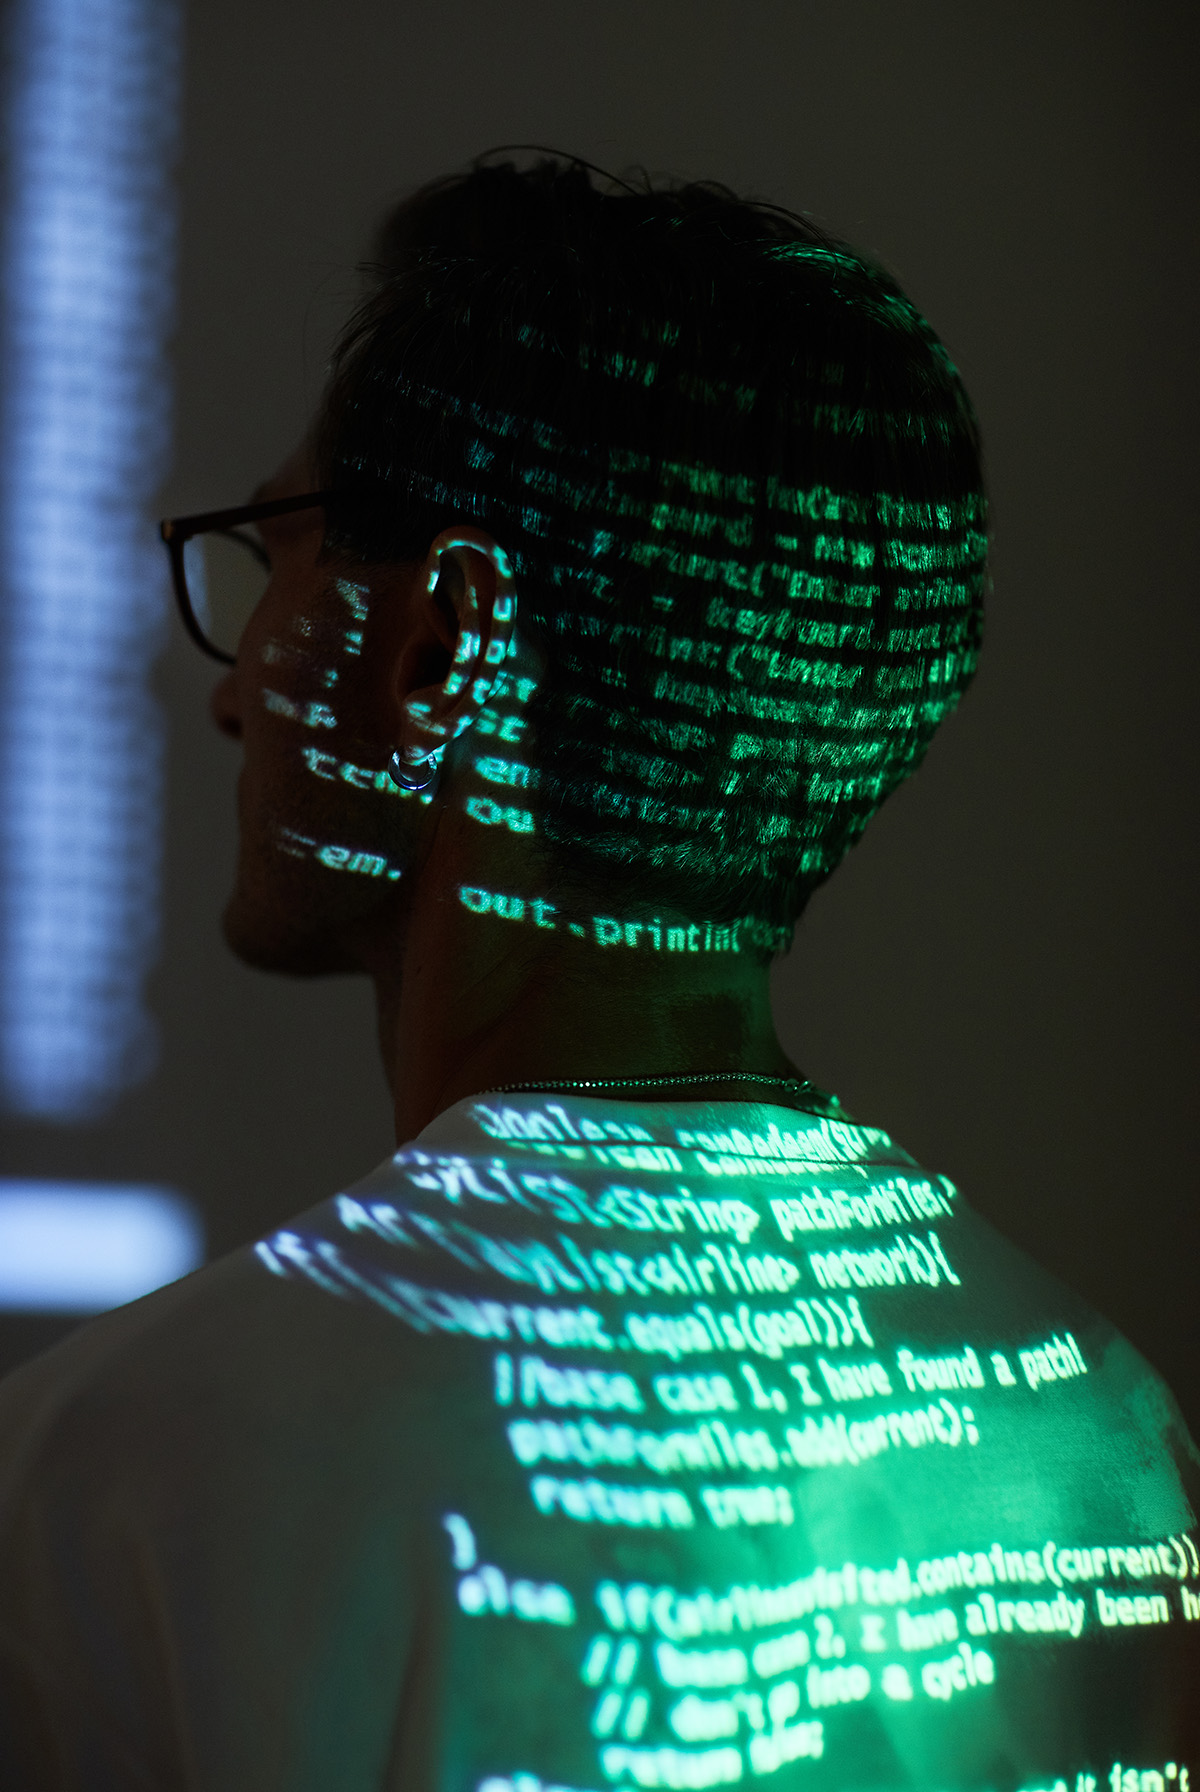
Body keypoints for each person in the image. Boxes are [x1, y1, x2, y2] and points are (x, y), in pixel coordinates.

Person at [0, 150, 1196, 1789]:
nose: (226, 692)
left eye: (269, 557)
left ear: (434, 652)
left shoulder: (124, 1476)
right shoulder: (1111, 1445)